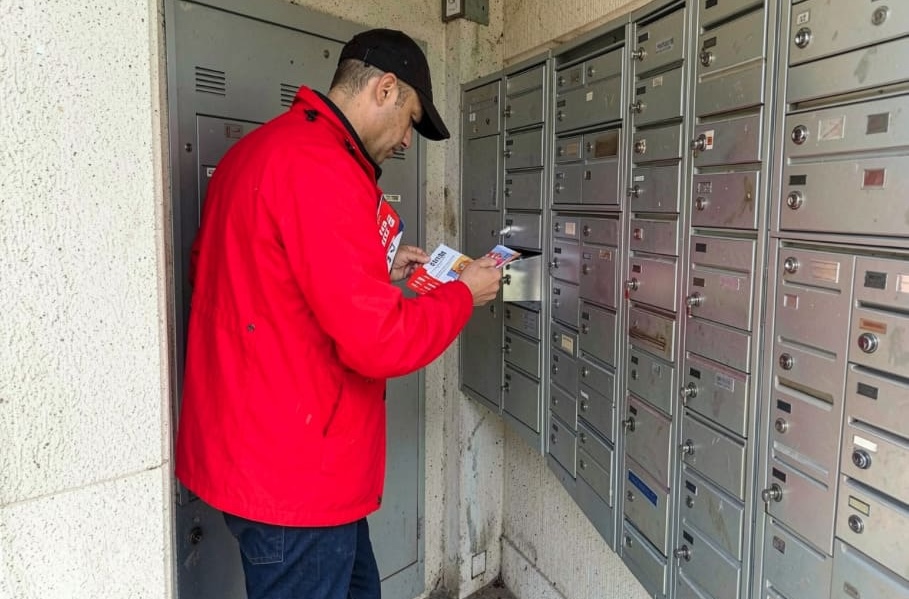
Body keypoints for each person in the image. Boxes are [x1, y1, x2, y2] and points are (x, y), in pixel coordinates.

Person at [175, 28, 502, 599]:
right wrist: (461, 296)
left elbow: (230, 272)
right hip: (297, 479)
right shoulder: (324, 167)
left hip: (262, 454)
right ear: (384, 88)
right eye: (410, 120)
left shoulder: (258, 151)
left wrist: (373, 268)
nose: (406, 141)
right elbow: (381, 342)